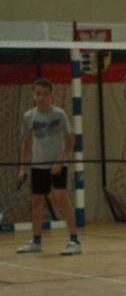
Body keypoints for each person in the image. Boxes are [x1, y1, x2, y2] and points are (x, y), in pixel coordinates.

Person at [16, 78, 81, 255]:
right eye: (38, 94)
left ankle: (74, 240)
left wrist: (60, 161)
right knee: (37, 202)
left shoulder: (59, 115)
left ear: (51, 95)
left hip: (57, 165)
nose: (42, 97)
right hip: (38, 165)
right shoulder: (29, 116)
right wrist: (22, 168)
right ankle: (36, 241)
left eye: (45, 94)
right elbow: (25, 142)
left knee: (61, 198)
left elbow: (70, 141)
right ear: (33, 96)